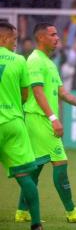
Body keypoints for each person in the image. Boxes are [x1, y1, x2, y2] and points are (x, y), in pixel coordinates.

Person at [16, 23, 76, 223]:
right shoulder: (35, 60)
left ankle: (21, 211)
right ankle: (71, 212)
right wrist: (54, 118)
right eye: (53, 35)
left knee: (35, 168)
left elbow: (63, 93)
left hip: (40, 119)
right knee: (60, 162)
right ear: (41, 38)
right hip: (39, 119)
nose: (57, 38)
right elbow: (36, 92)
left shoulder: (50, 63)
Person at [0, 22, 43, 230]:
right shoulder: (19, 61)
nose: (16, 44)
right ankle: (36, 224)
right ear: (3, 39)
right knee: (25, 176)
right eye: (13, 40)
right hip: (14, 123)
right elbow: (26, 94)